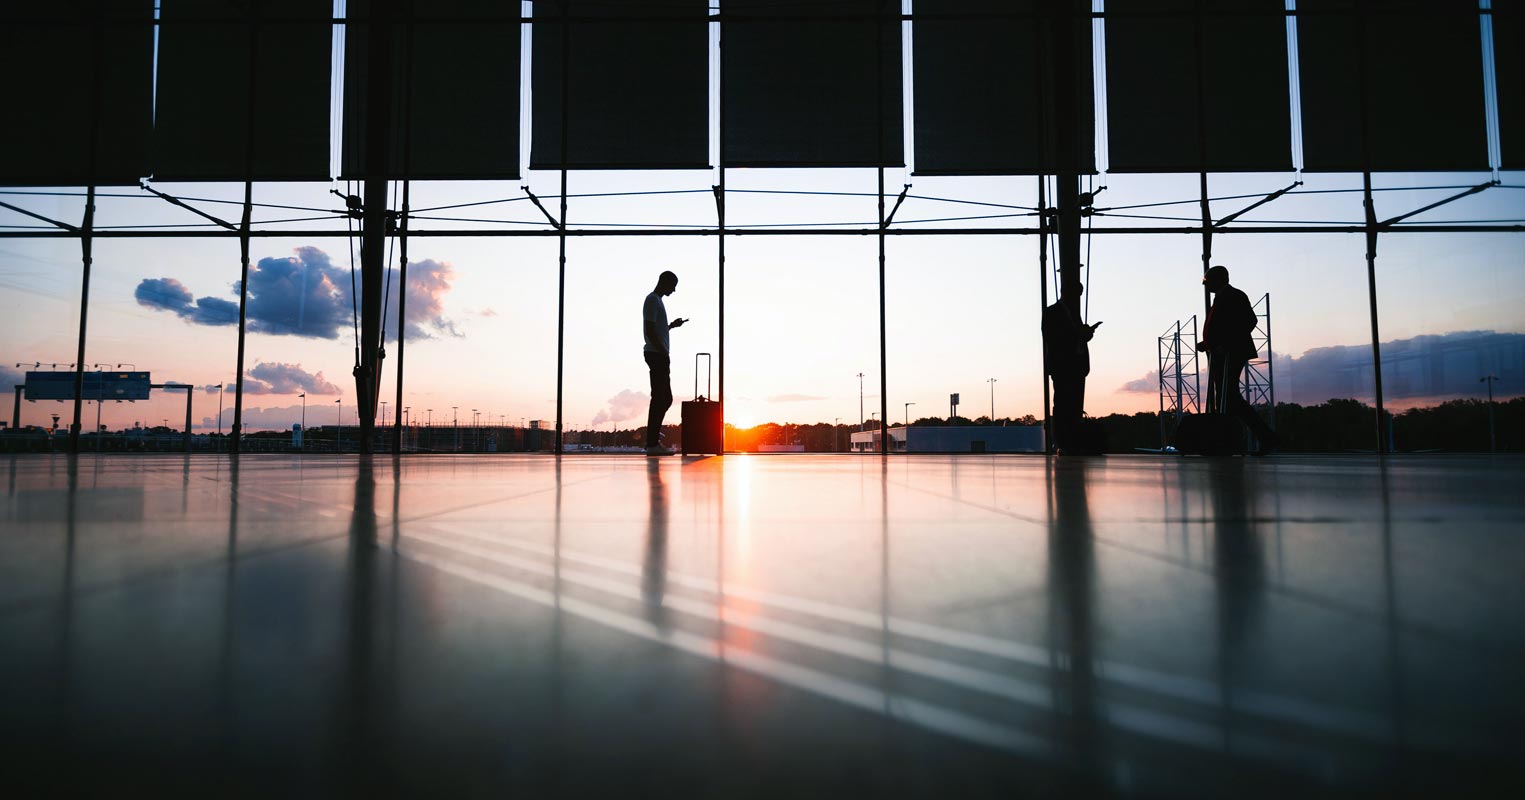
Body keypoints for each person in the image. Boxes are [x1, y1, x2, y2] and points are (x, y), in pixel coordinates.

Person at [1197, 265, 1280, 455]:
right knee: (1228, 398)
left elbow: (1249, 321)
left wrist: (1225, 344)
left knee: (1229, 396)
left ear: (1219, 279)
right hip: (1222, 353)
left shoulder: (1234, 296)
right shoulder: (1223, 297)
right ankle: (1247, 438)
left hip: (1231, 354)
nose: (1206, 286)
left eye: (1207, 281)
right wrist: (1209, 343)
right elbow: (1227, 325)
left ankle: (1259, 437)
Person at [1043, 279, 1101, 455]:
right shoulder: (1052, 313)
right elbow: (1053, 339)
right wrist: (1080, 335)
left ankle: (1068, 442)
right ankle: (1062, 442)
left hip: (1075, 367)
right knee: (1062, 405)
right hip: (1063, 367)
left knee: (1071, 405)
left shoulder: (1069, 313)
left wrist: (1083, 335)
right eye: (1077, 294)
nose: (1078, 298)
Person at [642, 271, 687, 456]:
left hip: (658, 353)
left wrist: (670, 327)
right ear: (664, 281)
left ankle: (653, 442)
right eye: (673, 285)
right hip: (657, 354)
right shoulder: (652, 300)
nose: (674, 290)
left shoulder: (657, 301)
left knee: (662, 398)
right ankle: (652, 443)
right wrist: (662, 350)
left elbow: (656, 329)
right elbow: (649, 330)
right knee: (661, 398)